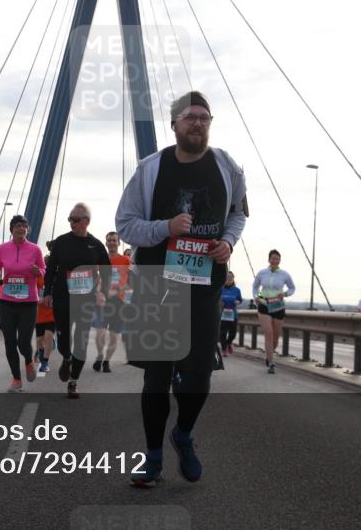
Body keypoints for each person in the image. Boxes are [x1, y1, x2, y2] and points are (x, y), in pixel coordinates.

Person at [116, 91, 247, 486]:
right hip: (156, 287)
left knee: (198, 379)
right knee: (156, 379)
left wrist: (228, 242)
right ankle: (153, 459)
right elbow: (124, 224)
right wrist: (164, 228)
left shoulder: (228, 167)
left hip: (204, 288)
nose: (197, 123)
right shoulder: (151, 169)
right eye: (190, 117)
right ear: (174, 124)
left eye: (204, 117)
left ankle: (183, 435)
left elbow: (238, 214)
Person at [43, 203, 111, 399]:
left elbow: (107, 272)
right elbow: (51, 270)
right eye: (69, 219)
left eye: (75, 219)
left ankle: (73, 382)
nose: (71, 223)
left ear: (86, 222)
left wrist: (103, 293)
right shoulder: (61, 242)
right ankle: (66, 357)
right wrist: (47, 292)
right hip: (63, 298)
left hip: (86, 300)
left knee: (81, 341)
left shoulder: (96, 245)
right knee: (65, 341)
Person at [0, 214, 45, 392]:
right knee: (9, 342)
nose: (21, 229)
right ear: (11, 229)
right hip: (7, 302)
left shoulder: (35, 249)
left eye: (24, 226)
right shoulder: (2, 248)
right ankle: (16, 379)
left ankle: (28, 362)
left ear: (27, 229)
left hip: (28, 302)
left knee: (23, 342)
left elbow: (44, 270)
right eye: (17, 226)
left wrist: (38, 272)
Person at [92, 231, 130, 373]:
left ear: (119, 243)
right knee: (100, 332)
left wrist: (117, 291)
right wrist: (97, 292)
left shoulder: (126, 261)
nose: (112, 243)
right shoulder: (100, 260)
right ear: (106, 243)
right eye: (109, 240)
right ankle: (100, 355)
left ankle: (107, 361)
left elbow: (132, 283)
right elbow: (94, 279)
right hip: (102, 300)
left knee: (114, 336)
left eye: (114, 240)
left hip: (119, 301)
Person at [253, 250, 295, 374]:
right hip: (264, 305)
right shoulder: (262, 273)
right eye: (273, 258)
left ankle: (269, 354)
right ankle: (271, 363)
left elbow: (292, 288)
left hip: (278, 306)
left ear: (279, 261)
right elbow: (255, 287)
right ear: (269, 259)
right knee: (269, 334)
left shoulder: (284, 274)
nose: (274, 260)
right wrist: (256, 297)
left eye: (277, 259)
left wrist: (286, 293)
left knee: (276, 338)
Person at [34, 268, 55, 373]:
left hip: (52, 314)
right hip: (39, 315)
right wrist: (39, 300)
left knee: (48, 337)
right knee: (39, 341)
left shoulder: (56, 279)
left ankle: (45, 362)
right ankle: (41, 353)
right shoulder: (38, 278)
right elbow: (33, 293)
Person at [219, 271, 243, 356]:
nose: (229, 278)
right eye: (227, 277)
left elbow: (240, 300)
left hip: (233, 315)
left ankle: (229, 343)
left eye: (230, 277)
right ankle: (224, 349)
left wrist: (237, 302)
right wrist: (220, 302)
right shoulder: (221, 288)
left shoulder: (237, 290)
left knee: (233, 334)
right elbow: (216, 299)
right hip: (223, 314)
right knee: (222, 333)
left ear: (233, 278)